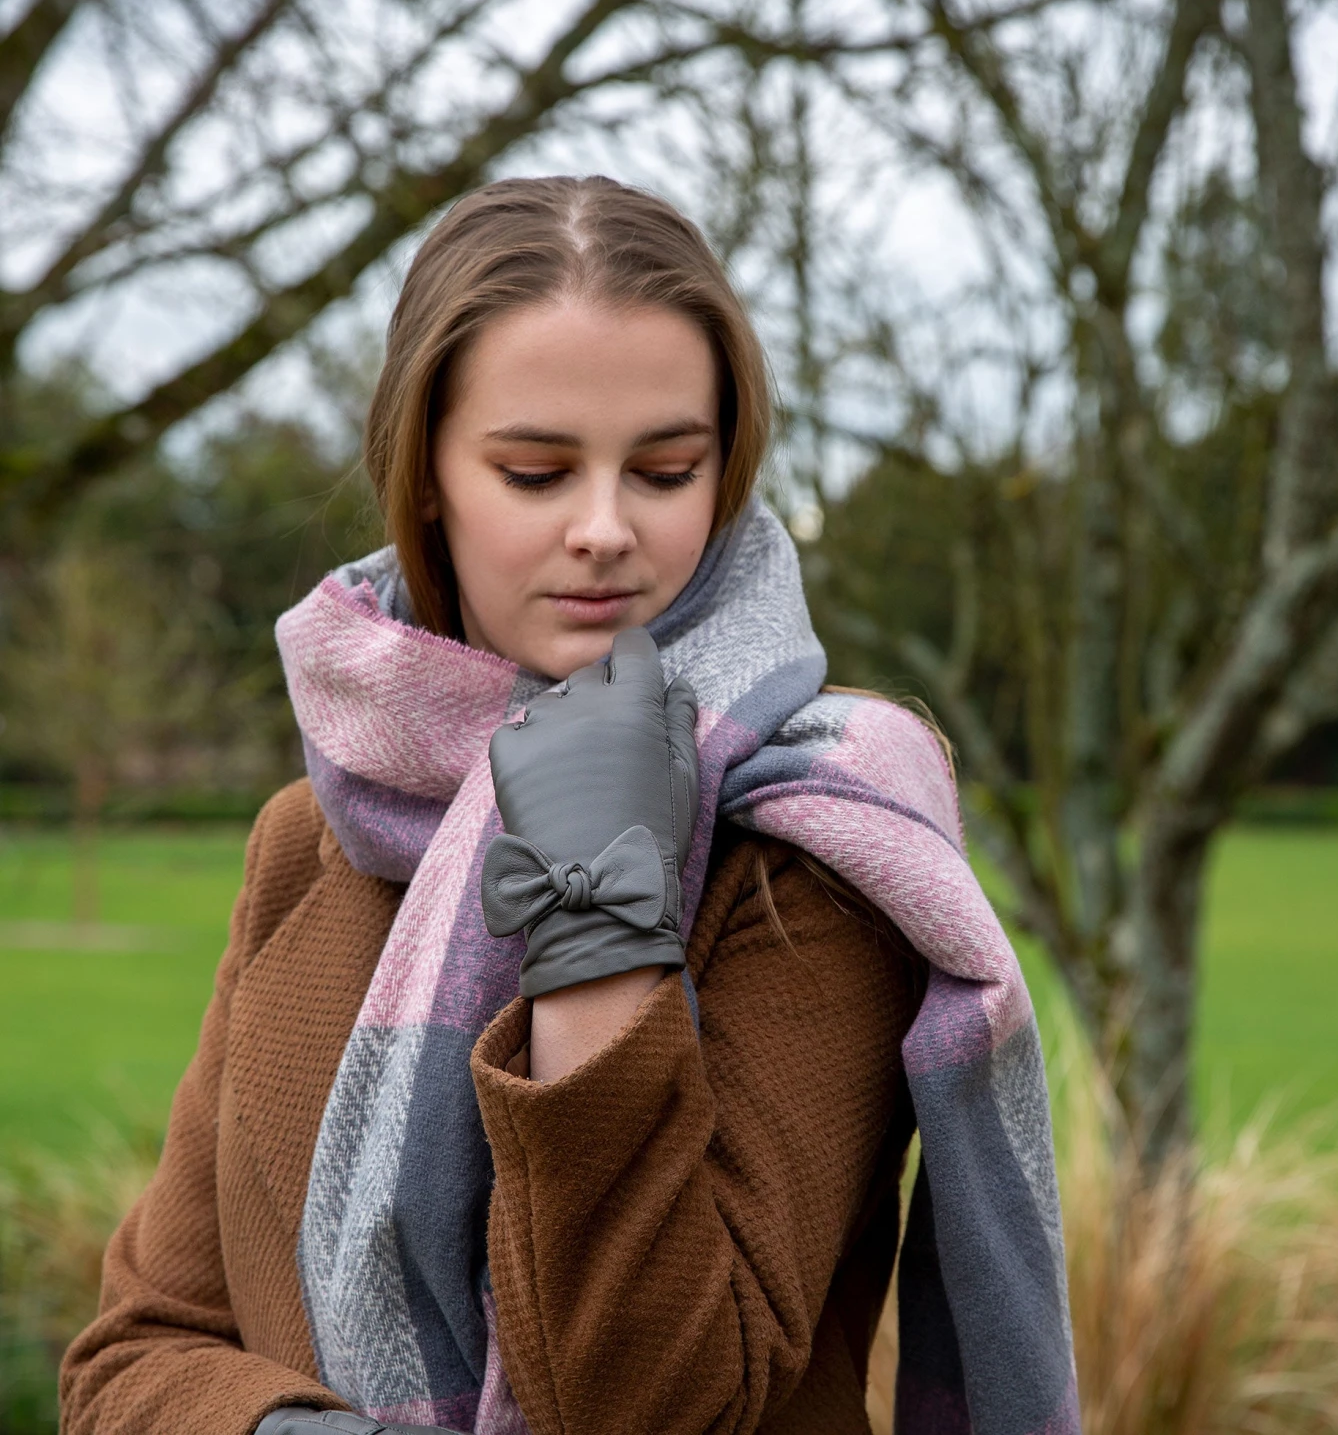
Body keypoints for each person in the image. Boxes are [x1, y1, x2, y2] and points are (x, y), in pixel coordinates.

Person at [60, 177, 1076, 1435]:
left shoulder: (813, 846)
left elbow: (654, 1403)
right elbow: (135, 1352)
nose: (605, 530)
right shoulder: (304, 848)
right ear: (425, 473)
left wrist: (600, 925)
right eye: (536, 473)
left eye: (664, 469)